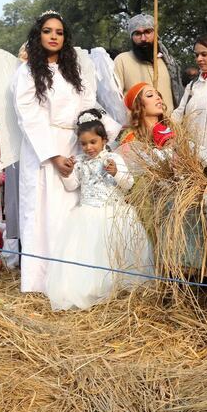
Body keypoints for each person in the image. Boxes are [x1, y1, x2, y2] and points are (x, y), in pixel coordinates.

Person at [13, 10, 97, 293]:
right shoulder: (26, 72)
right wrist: (52, 155)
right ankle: (41, 281)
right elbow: (28, 114)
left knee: (70, 212)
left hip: (73, 144)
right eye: (48, 31)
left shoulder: (73, 71)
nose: (53, 36)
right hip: (42, 150)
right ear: (38, 35)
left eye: (59, 32)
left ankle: (71, 279)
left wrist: (94, 134)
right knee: (41, 214)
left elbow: (87, 105)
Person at [45, 110, 152, 310]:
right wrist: (67, 173)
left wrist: (117, 173)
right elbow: (72, 186)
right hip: (87, 213)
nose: (88, 147)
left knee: (117, 253)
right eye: (84, 144)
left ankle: (120, 289)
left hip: (114, 212)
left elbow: (128, 184)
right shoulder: (79, 162)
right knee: (90, 253)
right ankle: (94, 290)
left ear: (103, 140)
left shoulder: (113, 158)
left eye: (93, 142)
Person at [113, 14, 182, 113]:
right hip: (137, 126)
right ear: (131, 37)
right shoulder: (122, 60)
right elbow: (114, 98)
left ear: (155, 34)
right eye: (137, 34)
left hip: (168, 126)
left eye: (147, 32)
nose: (143, 38)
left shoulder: (169, 62)